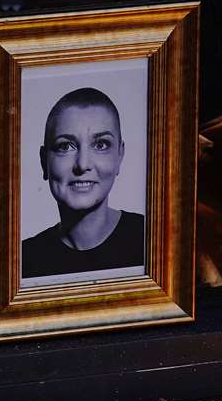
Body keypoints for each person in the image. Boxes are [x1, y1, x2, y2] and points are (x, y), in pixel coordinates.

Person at [21, 86, 146, 281]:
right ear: (43, 161)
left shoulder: (153, 240)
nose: (82, 164)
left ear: (120, 155)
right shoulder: (22, 261)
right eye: (65, 146)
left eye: (100, 145)